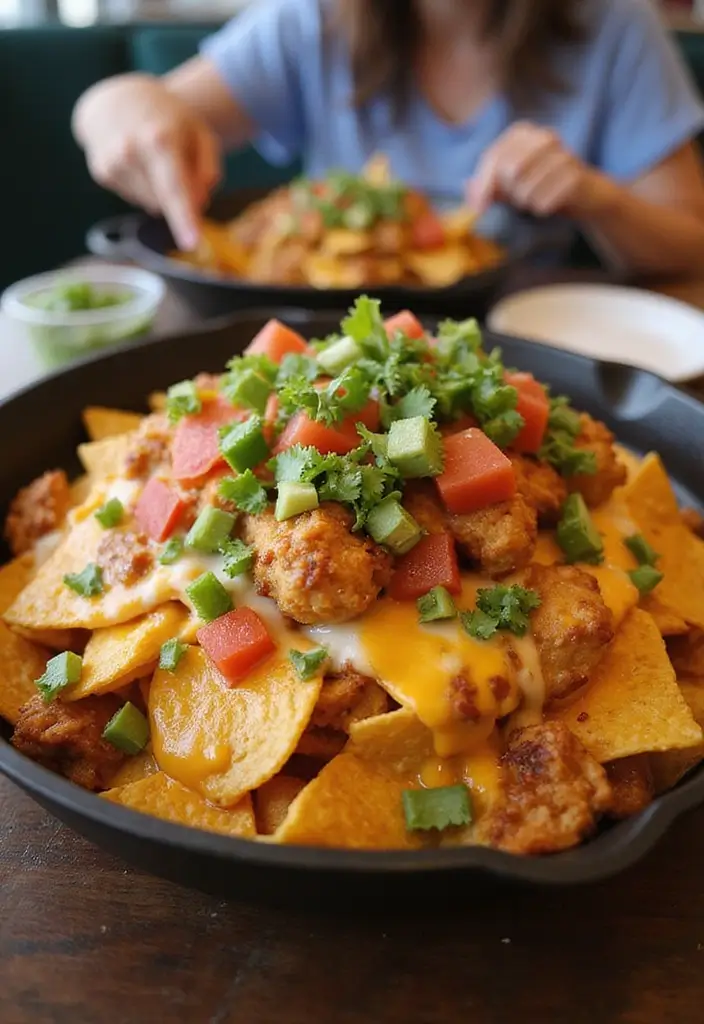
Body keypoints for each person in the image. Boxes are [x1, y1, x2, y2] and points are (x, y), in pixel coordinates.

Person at [73, 0, 704, 274]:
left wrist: (600, 200)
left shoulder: (616, 26)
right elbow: (138, 105)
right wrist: (114, 108)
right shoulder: (312, 21)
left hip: (518, 342)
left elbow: (691, 246)